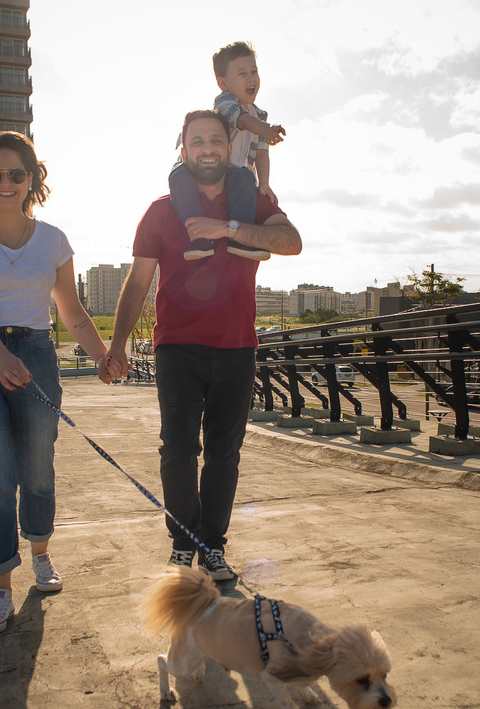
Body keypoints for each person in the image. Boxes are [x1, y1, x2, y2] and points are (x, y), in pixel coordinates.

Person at [104, 110, 302, 580]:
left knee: (224, 453)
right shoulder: (160, 210)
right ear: (183, 149)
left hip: (237, 346)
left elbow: (291, 241)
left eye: (216, 139)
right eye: (198, 142)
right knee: (177, 449)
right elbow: (137, 282)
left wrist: (229, 229)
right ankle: (183, 542)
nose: (208, 148)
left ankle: (213, 545)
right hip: (178, 347)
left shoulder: (250, 198)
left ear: (226, 145)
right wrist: (118, 345)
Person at [0, 131, 110, 634]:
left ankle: (40, 552)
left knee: (38, 467)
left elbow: (72, 312)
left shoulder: (54, 239)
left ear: (32, 179)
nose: (6, 182)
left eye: (17, 173)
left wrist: (103, 356)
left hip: (35, 351)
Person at [169, 41, 286, 261]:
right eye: (242, 74)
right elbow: (241, 120)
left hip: (231, 173)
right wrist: (267, 130)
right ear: (223, 83)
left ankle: (240, 238)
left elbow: (262, 152)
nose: (251, 79)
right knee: (178, 177)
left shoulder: (260, 115)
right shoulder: (224, 102)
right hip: (199, 168)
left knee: (245, 177)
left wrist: (265, 183)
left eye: (254, 71)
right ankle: (199, 237)